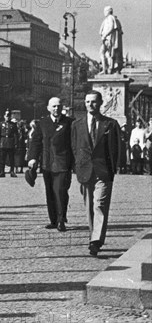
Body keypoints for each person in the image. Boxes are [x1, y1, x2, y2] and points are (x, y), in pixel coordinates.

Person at [71, 90, 121, 257]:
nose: (90, 105)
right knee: (89, 207)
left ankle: (95, 241)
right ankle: (94, 235)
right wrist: (77, 166)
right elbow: (74, 147)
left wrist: (113, 168)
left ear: (100, 103)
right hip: (84, 170)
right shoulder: (76, 125)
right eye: (87, 102)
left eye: (93, 102)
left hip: (103, 171)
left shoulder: (111, 124)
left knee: (99, 205)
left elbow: (115, 148)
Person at [27, 97, 74, 232]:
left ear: (62, 108)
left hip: (63, 164)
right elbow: (36, 142)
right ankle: (53, 220)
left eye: (58, 106)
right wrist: (32, 158)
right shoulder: (43, 123)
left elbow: (74, 143)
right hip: (47, 164)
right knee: (50, 192)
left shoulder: (69, 123)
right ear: (48, 108)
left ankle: (61, 219)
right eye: (53, 106)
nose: (56, 109)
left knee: (60, 191)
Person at [99, 6, 123, 74]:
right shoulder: (107, 19)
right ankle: (107, 68)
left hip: (108, 39)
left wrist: (105, 35)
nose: (104, 13)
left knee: (104, 53)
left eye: (105, 11)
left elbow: (111, 27)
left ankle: (106, 69)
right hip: (106, 39)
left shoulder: (110, 18)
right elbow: (100, 30)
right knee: (107, 54)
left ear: (108, 11)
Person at [0, 109, 19, 177]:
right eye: (6, 116)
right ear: (4, 116)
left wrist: (15, 143)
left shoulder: (13, 124)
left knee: (11, 158)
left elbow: (16, 134)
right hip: (3, 142)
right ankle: (2, 172)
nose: (7, 117)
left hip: (10, 142)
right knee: (2, 158)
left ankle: (12, 171)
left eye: (9, 116)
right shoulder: (1, 124)